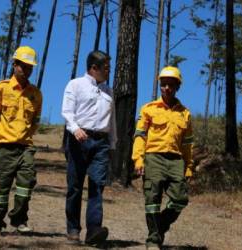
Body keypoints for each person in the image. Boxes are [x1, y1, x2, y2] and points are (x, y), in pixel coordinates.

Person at [132, 66, 194, 250]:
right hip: (154, 157)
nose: (166, 88)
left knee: (180, 199)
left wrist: (189, 166)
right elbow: (140, 136)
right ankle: (153, 241)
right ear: (160, 86)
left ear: (177, 87)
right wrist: (138, 159)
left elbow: (187, 144)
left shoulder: (185, 114)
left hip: (176, 160)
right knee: (153, 199)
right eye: (163, 84)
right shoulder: (148, 109)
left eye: (171, 85)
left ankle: (158, 227)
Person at [61, 50, 117, 245]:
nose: (109, 71)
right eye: (106, 68)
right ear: (94, 68)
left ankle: (93, 230)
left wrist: (112, 143)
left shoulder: (109, 92)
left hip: (100, 144)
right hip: (78, 141)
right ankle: (73, 229)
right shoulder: (75, 85)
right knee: (75, 186)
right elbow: (67, 112)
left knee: (97, 186)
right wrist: (75, 129)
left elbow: (112, 121)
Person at [0, 46, 42, 236]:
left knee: (26, 186)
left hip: (25, 147)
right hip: (4, 147)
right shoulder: (1, 88)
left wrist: (24, 136)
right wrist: (1, 134)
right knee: (0, 189)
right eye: (23, 66)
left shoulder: (36, 94)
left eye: (29, 68)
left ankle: (19, 221)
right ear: (14, 64)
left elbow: (35, 122)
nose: (26, 71)